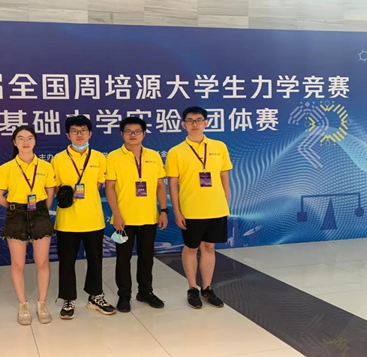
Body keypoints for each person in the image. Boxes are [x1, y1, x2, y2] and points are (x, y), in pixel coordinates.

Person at [165, 106, 232, 309]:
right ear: (183, 124)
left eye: (199, 120)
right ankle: (192, 288)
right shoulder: (176, 151)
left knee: (209, 247)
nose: (194, 124)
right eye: (190, 120)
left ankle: (207, 288)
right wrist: (177, 211)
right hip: (191, 209)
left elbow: (224, 177)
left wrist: (225, 202)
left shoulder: (219, 146)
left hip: (216, 208)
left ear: (206, 123)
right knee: (191, 247)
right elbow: (173, 185)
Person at [51, 115, 116, 319]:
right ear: (67, 135)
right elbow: (55, 187)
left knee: (95, 260)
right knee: (66, 262)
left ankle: (96, 296)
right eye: (74, 131)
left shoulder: (99, 158)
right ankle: (68, 299)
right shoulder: (58, 159)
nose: (79, 135)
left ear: (90, 133)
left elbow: (99, 184)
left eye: (83, 131)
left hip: (93, 219)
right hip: (67, 221)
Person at [0, 125, 56, 325]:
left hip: (40, 213)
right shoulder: (7, 168)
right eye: (20, 138)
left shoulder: (45, 166)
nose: (25, 142)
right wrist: (14, 208)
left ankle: (42, 304)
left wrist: (42, 210)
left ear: (35, 141)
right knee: (18, 264)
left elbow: (50, 191)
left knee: (42, 262)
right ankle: (23, 305)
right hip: (16, 215)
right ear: (14, 142)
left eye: (29, 138)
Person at [105, 117, 168, 313]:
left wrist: (163, 210)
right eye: (128, 131)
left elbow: (160, 185)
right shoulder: (113, 157)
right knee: (123, 259)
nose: (133, 135)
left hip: (149, 217)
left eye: (137, 131)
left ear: (144, 133)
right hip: (124, 219)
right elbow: (109, 188)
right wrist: (116, 215)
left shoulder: (154, 156)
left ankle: (145, 292)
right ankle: (124, 295)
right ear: (122, 134)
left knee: (147, 257)